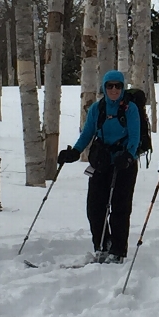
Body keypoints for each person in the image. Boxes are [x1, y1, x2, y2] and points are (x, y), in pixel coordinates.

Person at [57, 69, 140, 264]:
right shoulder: (97, 109)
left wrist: (128, 155)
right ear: (104, 87)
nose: (113, 89)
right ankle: (102, 246)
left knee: (120, 208)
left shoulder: (130, 109)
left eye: (117, 86)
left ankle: (118, 251)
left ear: (122, 87)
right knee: (95, 207)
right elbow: (87, 134)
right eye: (109, 86)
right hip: (102, 162)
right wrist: (75, 152)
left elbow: (135, 136)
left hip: (124, 163)